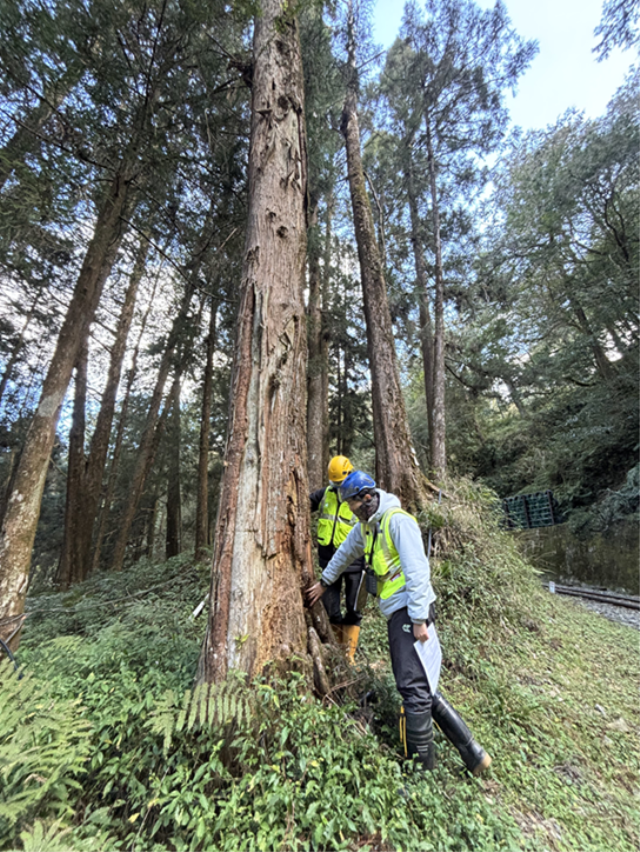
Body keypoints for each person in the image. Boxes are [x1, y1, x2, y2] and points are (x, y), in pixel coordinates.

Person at [306, 470, 491, 774]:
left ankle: (422, 773)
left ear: (367, 497)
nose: (350, 509)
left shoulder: (398, 522)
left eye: (352, 503)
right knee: (422, 685)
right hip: (397, 611)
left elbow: (418, 572)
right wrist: (324, 582)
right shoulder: (366, 527)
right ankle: (474, 754)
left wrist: (418, 619)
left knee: (412, 688)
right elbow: (342, 554)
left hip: (409, 612)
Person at [309, 456, 365, 662]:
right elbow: (304, 503)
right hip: (327, 561)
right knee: (331, 609)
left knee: (353, 609)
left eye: (341, 483)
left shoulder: (360, 498)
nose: (338, 487)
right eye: (335, 483)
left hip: (355, 563)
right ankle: (336, 651)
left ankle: (348, 655)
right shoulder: (325, 494)